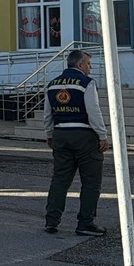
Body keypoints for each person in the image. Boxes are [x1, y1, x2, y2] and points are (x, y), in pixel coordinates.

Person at [43, 49, 109, 236]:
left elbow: (48, 114)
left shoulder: (53, 84)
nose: (90, 67)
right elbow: (93, 111)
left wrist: (49, 134)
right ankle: (85, 223)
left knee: (60, 179)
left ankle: (51, 220)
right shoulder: (87, 83)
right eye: (88, 63)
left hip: (61, 135)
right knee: (91, 182)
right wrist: (102, 135)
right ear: (79, 64)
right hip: (84, 136)